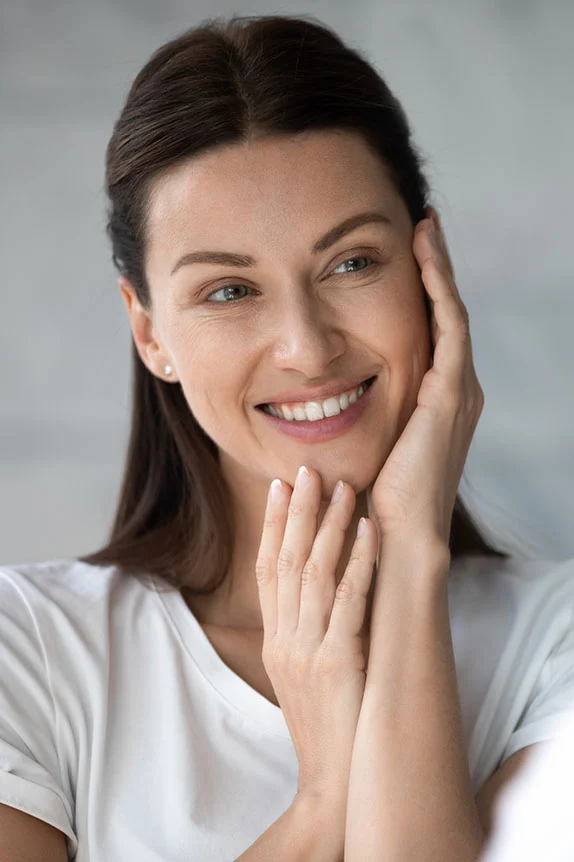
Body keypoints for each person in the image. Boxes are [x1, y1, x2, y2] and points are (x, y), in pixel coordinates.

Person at [0, 13, 573, 862]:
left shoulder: (556, 640)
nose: (307, 347)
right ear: (150, 331)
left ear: (429, 270)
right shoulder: (29, 652)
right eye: (230, 291)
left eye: (352, 263)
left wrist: (411, 562)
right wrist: (324, 797)